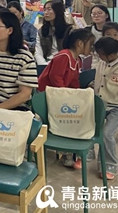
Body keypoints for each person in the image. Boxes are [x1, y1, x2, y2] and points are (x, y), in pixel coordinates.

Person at [38, 27, 95, 168]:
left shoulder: (77, 60)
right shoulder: (63, 56)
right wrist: (66, 95)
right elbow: (55, 77)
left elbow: (74, 81)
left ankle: (71, 150)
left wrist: (77, 95)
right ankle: (66, 152)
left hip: (59, 96)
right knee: (66, 119)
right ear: (80, 43)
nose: (92, 48)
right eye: (90, 44)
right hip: (46, 96)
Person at [88, 37, 118, 179]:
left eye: (100, 54)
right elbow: (99, 82)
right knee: (85, 123)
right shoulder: (102, 64)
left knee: (106, 133)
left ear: (110, 55)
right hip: (102, 104)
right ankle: (86, 153)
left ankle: (109, 165)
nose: (98, 56)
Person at [35, 0, 72, 67]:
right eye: (44, 10)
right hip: (47, 63)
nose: (46, 12)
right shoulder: (42, 31)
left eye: (49, 9)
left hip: (65, 63)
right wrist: (44, 65)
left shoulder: (69, 30)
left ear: (57, 11)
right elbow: (38, 52)